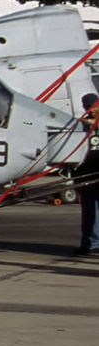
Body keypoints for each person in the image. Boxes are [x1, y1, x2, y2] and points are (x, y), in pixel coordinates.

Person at [75, 92, 99, 255]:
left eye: (94, 107)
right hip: (87, 174)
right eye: (87, 108)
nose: (91, 111)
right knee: (89, 212)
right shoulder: (81, 127)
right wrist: (74, 179)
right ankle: (89, 244)